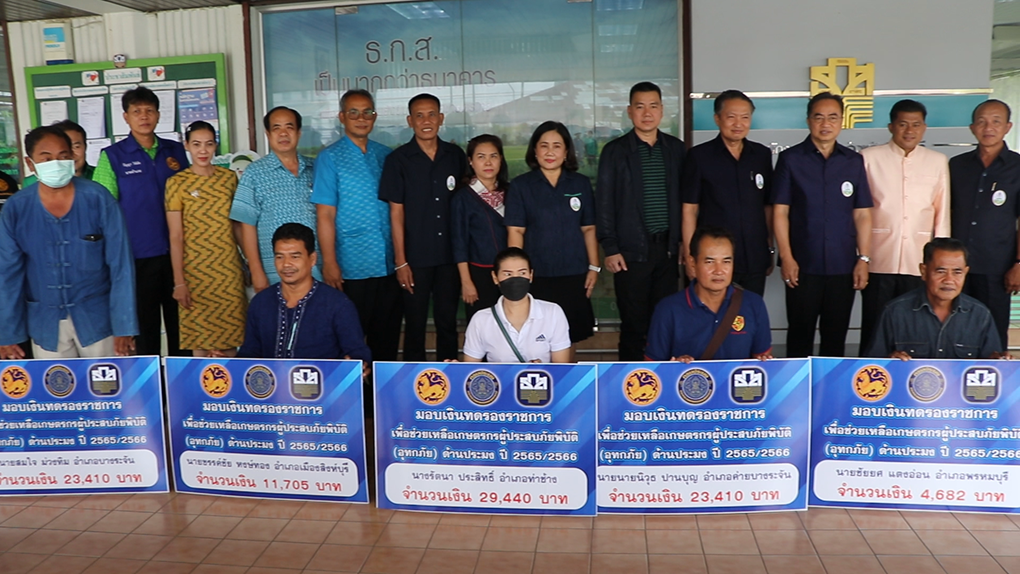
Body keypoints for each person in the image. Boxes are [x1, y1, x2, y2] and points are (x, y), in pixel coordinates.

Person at [0, 126, 136, 359]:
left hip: (98, 320)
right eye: (47, 158)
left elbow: (121, 264)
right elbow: (7, 273)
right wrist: (7, 332)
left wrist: (124, 325)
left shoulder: (98, 198)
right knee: (56, 382)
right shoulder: (16, 208)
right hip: (46, 323)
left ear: (72, 157)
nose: (56, 163)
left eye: (63, 156)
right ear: (30, 163)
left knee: (105, 381)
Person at [773, 92, 873, 358]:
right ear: (808, 121)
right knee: (799, 336)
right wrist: (786, 257)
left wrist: (863, 258)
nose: (825, 124)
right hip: (802, 265)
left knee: (835, 338)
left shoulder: (853, 161)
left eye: (833, 117)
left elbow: (862, 214)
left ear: (842, 121)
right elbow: (780, 212)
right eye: (819, 117)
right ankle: (797, 386)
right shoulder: (791, 159)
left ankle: (832, 386)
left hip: (843, 265)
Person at [92, 86, 189, 357]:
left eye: (149, 111)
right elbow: (102, 210)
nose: (144, 116)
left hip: (178, 256)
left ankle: (181, 382)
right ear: (126, 117)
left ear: (158, 114)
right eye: (137, 111)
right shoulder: (113, 156)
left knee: (182, 330)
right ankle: (150, 384)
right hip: (136, 258)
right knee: (145, 332)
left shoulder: (175, 151)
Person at [312, 89, 402, 364]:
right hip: (351, 265)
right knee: (349, 341)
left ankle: (381, 390)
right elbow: (325, 214)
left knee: (386, 339)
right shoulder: (330, 157)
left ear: (375, 116)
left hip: (388, 264)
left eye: (367, 112)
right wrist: (330, 262)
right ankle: (352, 392)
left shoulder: (385, 155)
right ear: (342, 117)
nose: (361, 118)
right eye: (353, 112)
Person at [596, 81, 685, 361]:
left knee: (665, 323)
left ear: (662, 110)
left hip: (668, 252)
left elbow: (686, 201)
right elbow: (604, 202)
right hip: (630, 253)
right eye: (640, 106)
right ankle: (631, 383)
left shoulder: (676, 149)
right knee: (634, 326)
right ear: (629, 111)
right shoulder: (615, 151)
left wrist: (683, 243)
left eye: (653, 106)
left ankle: (664, 380)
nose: (647, 113)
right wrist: (610, 247)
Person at [378, 94, 467, 361]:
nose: (426, 121)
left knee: (447, 322)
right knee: (414, 325)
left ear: (441, 119)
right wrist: (401, 262)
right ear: (410, 121)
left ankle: (448, 378)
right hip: (415, 258)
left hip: (450, 256)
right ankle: (413, 383)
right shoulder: (398, 160)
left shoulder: (455, 156)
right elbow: (396, 213)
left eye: (431, 114)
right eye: (419, 115)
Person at [859, 100, 950, 355]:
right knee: (875, 325)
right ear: (891, 126)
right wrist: (860, 256)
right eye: (903, 124)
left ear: (924, 127)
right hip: (878, 257)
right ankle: (869, 373)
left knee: (914, 326)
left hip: (919, 260)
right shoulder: (869, 158)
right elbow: (859, 210)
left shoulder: (937, 161)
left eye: (916, 125)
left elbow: (942, 210)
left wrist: (940, 260)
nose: (909, 130)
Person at [505, 121, 599, 352]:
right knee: (535, 336)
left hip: (574, 273)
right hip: (536, 275)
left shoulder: (580, 183)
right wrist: (517, 274)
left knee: (569, 335)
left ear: (566, 152)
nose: (550, 152)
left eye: (557, 146)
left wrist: (594, 267)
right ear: (534, 150)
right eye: (544, 145)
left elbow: (588, 228)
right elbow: (516, 231)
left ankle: (567, 377)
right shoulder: (521, 186)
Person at [165, 121, 247, 357]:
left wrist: (250, 263)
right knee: (199, 344)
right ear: (186, 146)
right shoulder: (176, 183)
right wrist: (179, 282)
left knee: (231, 341)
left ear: (215, 146)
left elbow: (237, 225)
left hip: (228, 271)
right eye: (196, 144)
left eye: (209, 144)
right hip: (194, 274)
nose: (203, 151)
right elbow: (176, 236)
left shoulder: (229, 178)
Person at [682, 90, 773, 296]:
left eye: (745, 117)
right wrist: (690, 255)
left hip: (754, 255)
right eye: (731, 117)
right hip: (713, 261)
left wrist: (769, 247)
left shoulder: (761, 155)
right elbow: (689, 210)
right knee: (714, 313)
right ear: (717, 119)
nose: (738, 123)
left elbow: (767, 206)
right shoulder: (699, 156)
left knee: (749, 311)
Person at [237, 223, 371, 362]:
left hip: (324, 376)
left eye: (295, 257)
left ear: (312, 259)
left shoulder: (337, 304)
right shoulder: (261, 302)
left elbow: (357, 353)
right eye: (280, 257)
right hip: (272, 377)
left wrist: (359, 364)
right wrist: (227, 364)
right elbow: (249, 354)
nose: (286, 264)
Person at [950, 99, 1020, 349]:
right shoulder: (956, 165)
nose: (988, 127)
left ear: (1008, 127)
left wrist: (1019, 264)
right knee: (954, 330)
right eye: (981, 122)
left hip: (997, 267)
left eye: (996, 121)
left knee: (993, 333)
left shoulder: (1017, 167)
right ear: (972, 128)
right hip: (955, 267)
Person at [645, 227, 772, 362]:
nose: (719, 271)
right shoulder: (668, 309)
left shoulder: (754, 304)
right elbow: (652, 368)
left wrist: (766, 362)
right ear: (692, 263)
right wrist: (676, 368)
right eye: (710, 262)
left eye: (726, 261)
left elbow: (763, 361)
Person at [866, 238, 1004, 360]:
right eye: (941, 271)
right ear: (923, 271)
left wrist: (1000, 361)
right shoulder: (895, 312)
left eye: (957, 272)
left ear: (966, 273)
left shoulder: (980, 315)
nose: (949, 280)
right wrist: (890, 361)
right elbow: (871, 366)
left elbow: (992, 369)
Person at [230, 106, 321, 291]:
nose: (283, 133)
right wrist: (256, 270)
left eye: (289, 127)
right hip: (274, 272)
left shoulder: (316, 168)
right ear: (268, 134)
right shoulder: (254, 173)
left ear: (299, 132)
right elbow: (245, 224)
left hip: (316, 268)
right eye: (276, 128)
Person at [463, 248, 571, 363]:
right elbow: (470, 368)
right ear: (495, 278)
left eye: (522, 273)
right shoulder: (480, 320)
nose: (515, 279)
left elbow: (561, 368)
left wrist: (540, 369)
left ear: (531, 275)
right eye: (508, 274)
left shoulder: (553, 313)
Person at [451, 134, 510, 322]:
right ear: (471, 161)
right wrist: (466, 282)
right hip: (479, 273)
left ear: (501, 159)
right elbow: (459, 242)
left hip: (510, 271)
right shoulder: (463, 198)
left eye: (493, 156)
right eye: (481, 157)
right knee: (482, 327)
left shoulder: (511, 192)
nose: (488, 162)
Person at [23, 119, 95, 186]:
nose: (70, 154)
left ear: (85, 147)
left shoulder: (99, 175)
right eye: (63, 150)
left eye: (76, 147)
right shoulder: (30, 182)